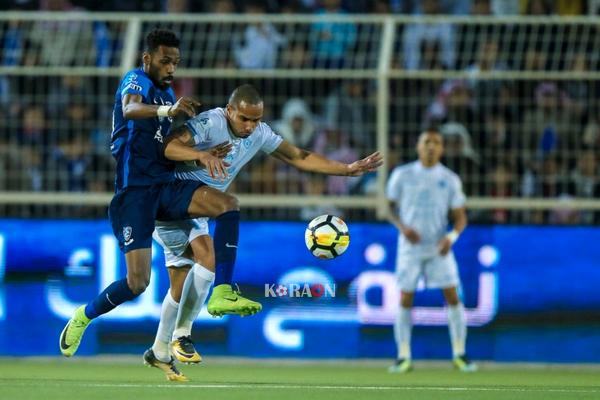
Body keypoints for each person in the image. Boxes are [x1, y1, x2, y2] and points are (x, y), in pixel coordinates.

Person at [149, 83, 383, 379]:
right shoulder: (210, 123)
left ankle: (159, 350)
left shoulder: (260, 134)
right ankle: (187, 329)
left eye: (256, 119)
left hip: (200, 206)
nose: (250, 126)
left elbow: (298, 156)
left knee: (183, 283)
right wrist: (202, 156)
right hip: (173, 197)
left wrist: (346, 169)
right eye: (244, 118)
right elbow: (168, 146)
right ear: (230, 110)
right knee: (213, 243)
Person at [58, 29, 251, 382]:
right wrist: (169, 108)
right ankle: (85, 315)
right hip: (135, 193)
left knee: (225, 206)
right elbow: (130, 109)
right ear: (147, 58)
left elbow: (165, 152)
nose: (171, 68)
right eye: (165, 61)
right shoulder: (137, 81)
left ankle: (204, 309)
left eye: (175, 62)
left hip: (166, 187)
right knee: (137, 283)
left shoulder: (164, 93)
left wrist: (200, 158)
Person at [386, 128, 477, 373]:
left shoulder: (449, 179)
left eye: (436, 143)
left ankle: (460, 353)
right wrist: (402, 227)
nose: (430, 146)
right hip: (410, 248)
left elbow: (461, 217)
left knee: (453, 296)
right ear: (418, 146)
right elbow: (388, 208)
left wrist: (451, 237)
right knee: (405, 297)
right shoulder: (403, 175)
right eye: (426, 141)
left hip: (439, 247)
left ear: (442, 148)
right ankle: (403, 356)